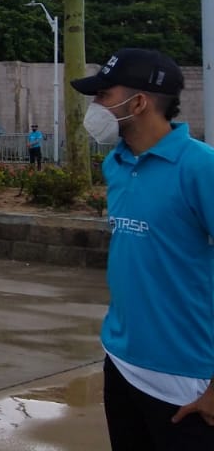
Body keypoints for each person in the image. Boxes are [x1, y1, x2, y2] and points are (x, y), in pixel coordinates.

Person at [70, 47, 214, 449]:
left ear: (139, 103)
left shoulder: (201, 167)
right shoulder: (115, 164)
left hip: (187, 379)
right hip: (121, 363)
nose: (94, 106)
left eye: (103, 95)